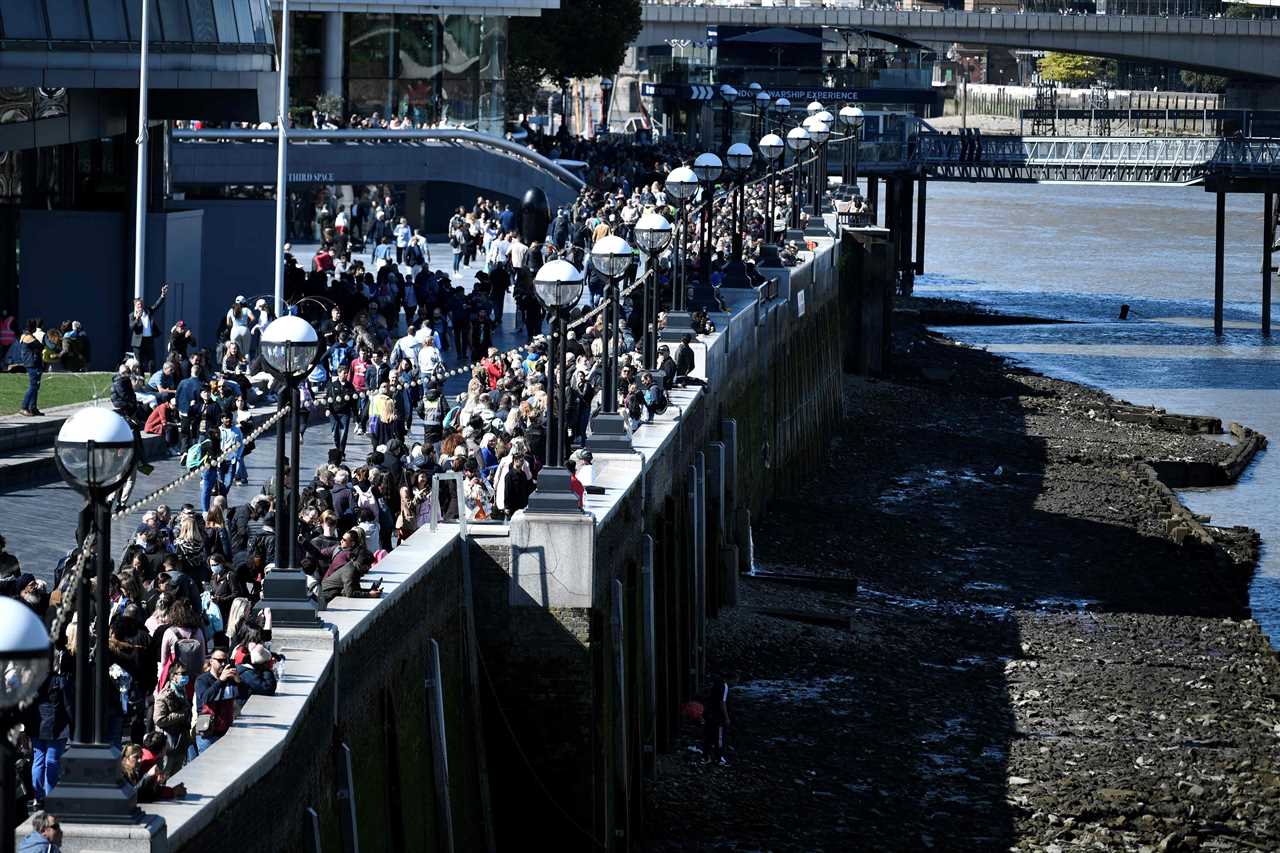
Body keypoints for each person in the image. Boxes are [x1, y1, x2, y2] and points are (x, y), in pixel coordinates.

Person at [127, 284, 169, 370]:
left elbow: (156, 305)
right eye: (138, 304)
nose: (140, 306)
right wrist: (137, 319)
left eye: (141, 304)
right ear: (135, 305)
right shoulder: (132, 315)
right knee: (140, 364)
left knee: (152, 363)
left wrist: (162, 295)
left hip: (149, 340)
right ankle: (141, 380)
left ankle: (152, 380)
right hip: (138, 343)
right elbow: (131, 327)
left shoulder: (148, 311)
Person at [18, 318, 45, 416]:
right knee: (33, 386)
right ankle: (24, 407)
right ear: (33, 327)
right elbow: (40, 346)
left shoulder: (24, 335)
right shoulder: (29, 338)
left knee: (35, 386)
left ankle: (33, 408)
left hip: (31, 363)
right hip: (33, 364)